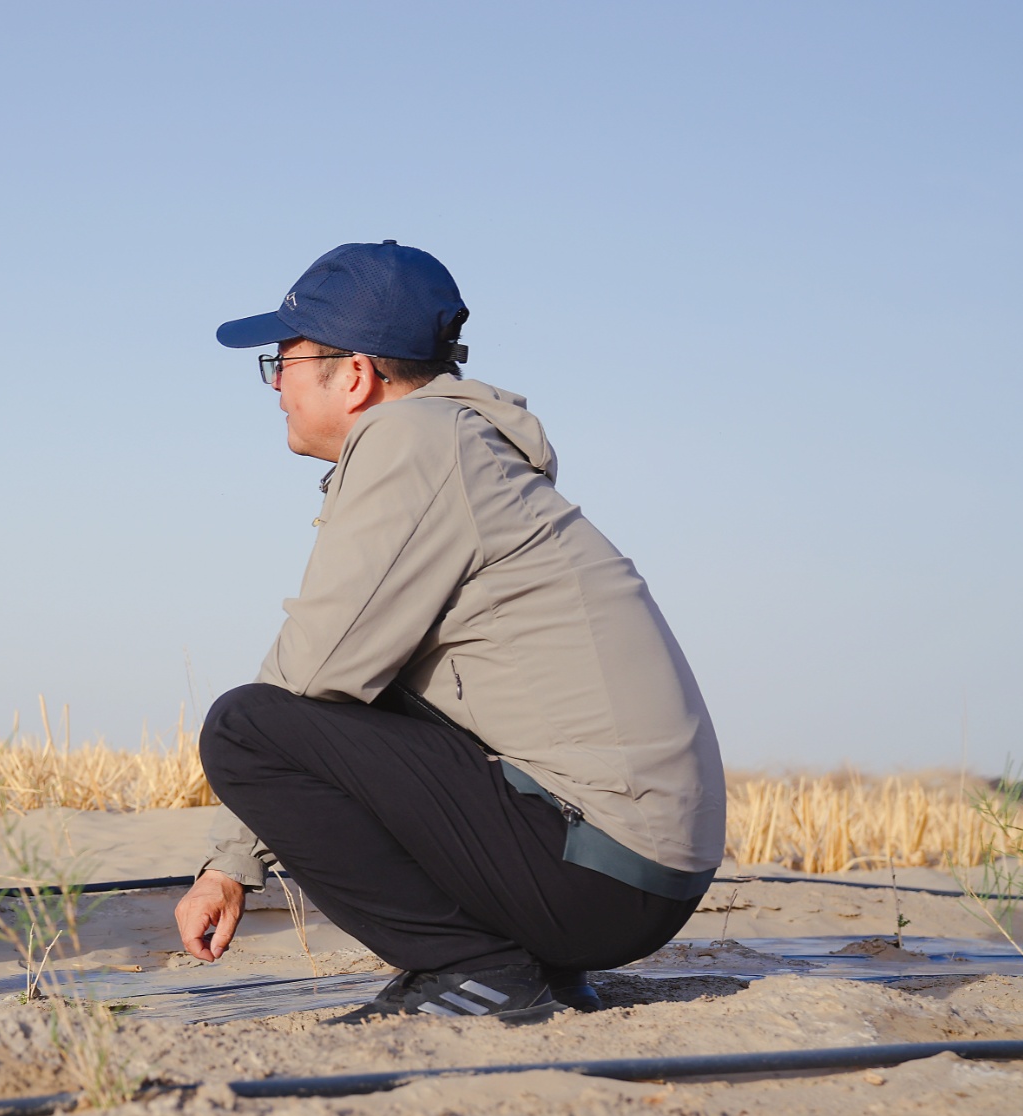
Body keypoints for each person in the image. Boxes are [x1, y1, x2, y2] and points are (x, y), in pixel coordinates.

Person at [174, 242, 725, 1022]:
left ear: (355, 374)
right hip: (625, 863)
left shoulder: (414, 444)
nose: (275, 390)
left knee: (243, 727)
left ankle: (475, 968)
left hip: (604, 866)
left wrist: (230, 865)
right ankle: (523, 965)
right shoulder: (453, 446)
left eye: (282, 363)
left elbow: (307, 675)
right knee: (351, 702)